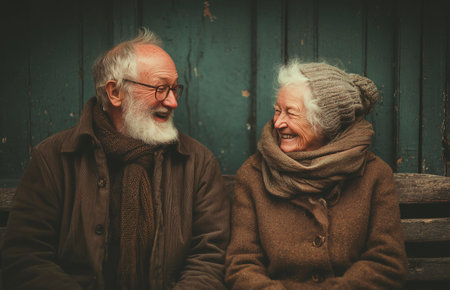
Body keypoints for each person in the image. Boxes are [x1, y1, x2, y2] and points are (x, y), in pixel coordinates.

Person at [2, 28, 230, 290]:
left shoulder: (196, 161)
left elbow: (210, 257)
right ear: (115, 93)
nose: (172, 101)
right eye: (160, 88)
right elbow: (26, 257)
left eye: (175, 88)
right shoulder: (53, 158)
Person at [225, 61, 407, 289]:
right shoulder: (253, 175)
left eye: (291, 113)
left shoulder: (374, 174)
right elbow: (242, 265)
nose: (278, 122)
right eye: (277, 110)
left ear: (326, 124)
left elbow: (387, 263)